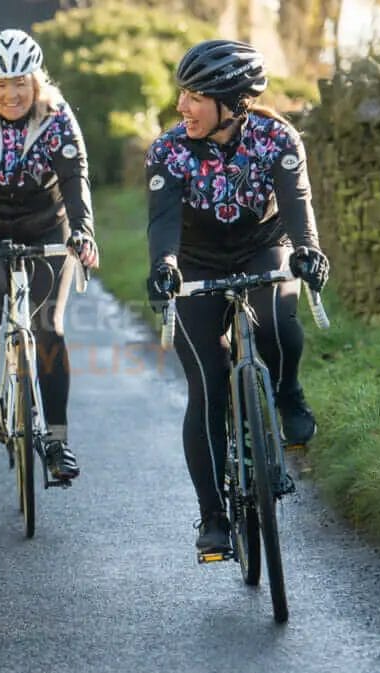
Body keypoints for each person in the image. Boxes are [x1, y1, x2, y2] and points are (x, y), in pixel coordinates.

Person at [144, 40, 330, 553]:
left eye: (195, 97)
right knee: (206, 384)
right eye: (183, 94)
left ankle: (287, 391)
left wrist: (308, 250)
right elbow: (162, 224)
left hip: (262, 247)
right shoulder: (167, 151)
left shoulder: (277, 138)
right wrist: (164, 267)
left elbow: (297, 202)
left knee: (277, 325)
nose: (182, 106)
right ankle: (212, 517)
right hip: (196, 262)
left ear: (230, 102)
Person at [0, 28, 98, 482]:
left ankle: (58, 442)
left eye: (20, 83)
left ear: (36, 81)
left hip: (45, 224)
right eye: (1, 84)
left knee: (48, 328)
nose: (12, 94)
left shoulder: (57, 118)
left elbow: (75, 178)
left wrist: (83, 231)